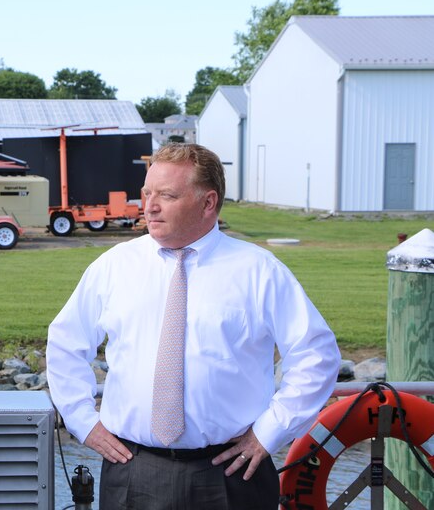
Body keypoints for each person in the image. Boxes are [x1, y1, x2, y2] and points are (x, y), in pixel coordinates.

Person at [46, 143, 340, 509]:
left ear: (208, 203)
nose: (149, 206)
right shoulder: (114, 267)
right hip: (132, 472)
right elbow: (65, 343)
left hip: (233, 476)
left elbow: (317, 355)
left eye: (166, 195)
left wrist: (268, 434)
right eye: (147, 193)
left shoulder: (258, 271)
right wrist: (83, 421)